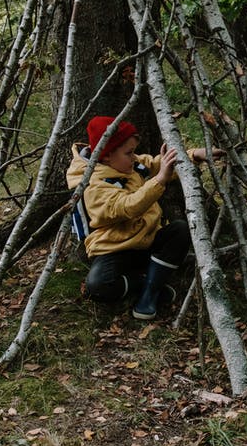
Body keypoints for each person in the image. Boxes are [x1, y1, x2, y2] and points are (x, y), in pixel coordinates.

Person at [66, 115, 215, 320]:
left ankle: (149, 294)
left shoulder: (129, 164)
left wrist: (194, 155)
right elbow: (126, 207)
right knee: (97, 286)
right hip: (115, 248)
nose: (135, 157)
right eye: (129, 153)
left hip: (147, 240)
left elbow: (155, 164)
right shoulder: (94, 184)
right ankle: (149, 281)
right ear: (107, 155)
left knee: (179, 230)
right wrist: (160, 180)